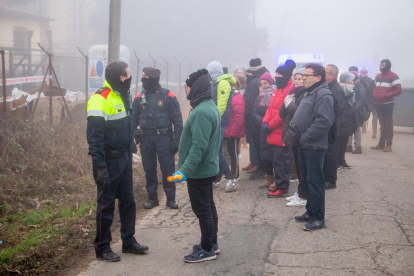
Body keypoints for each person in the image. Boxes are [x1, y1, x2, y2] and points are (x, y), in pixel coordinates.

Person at [87, 61, 149, 262]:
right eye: (129, 74)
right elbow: (94, 137)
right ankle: (102, 247)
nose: (131, 77)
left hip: (124, 159)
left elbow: (126, 122)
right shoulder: (100, 98)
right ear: (122, 77)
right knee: (106, 206)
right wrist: (100, 166)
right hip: (108, 162)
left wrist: (130, 142)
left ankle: (128, 240)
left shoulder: (124, 94)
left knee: (128, 202)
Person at [172, 69, 221, 263]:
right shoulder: (207, 106)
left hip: (199, 171)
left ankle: (207, 249)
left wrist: (184, 171)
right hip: (206, 168)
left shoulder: (201, 112)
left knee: (202, 210)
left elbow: (198, 146)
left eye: (187, 86)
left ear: (197, 88)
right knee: (208, 207)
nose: (185, 89)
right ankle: (212, 243)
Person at [291, 63, 334, 231]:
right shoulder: (310, 92)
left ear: (318, 77)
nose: (304, 78)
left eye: (308, 75)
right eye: (304, 75)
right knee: (308, 179)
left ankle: (319, 217)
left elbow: (324, 121)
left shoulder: (323, 94)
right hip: (304, 143)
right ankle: (310, 211)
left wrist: (306, 137)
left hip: (313, 145)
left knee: (315, 182)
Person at [133, 67, 183, 210]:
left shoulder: (168, 96)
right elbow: (132, 121)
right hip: (146, 140)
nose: (143, 79)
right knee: (149, 169)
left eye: (145, 77)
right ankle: (152, 198)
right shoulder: (138, 98)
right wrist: (133, 137)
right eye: (142, 76)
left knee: (168, 169)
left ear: (154, 78)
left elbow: (178, 121)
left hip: (165, 138)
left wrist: (176, 139)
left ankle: (171, 199)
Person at [264, 61, 295, 198]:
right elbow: (270, 108)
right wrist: (265, 121)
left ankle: (283, 187)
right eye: (275, 74)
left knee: (282, 161)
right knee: (276, 160)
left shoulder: (289, 90)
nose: (276, 77)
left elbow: (284, 114)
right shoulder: (277, 89)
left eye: (279, 74)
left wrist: (270, 125)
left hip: (282, 132)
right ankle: (278, 183)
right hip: (272, 132)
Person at [278, 68, 307, 206]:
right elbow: (282, 113)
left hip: (298, 131)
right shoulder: (292, 92)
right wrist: (286, 103)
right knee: (296, 160)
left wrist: (289, 104)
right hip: (289, 129)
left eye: (300, 79)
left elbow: (299, 113)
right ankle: (300, 192)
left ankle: (303, 194)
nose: (297, 81)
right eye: (295, 79)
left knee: (300, 166)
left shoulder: (305, 94)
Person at [206, 61, 236, 188]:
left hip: (219, 122)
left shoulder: (222, 83)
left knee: (216, 150)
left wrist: (213, 119)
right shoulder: (218, 82)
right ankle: (217, 179)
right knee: (216, 149)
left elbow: (221, 106)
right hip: (218, 121)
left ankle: (230, 178)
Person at [322, 64, 347, 190]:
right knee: (326, 153)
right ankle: (326, 177)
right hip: (327, 123)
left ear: (332, 75)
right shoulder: (327, 86)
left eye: (325, 72)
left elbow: (340, 109)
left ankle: (331, 180)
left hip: (331, 125)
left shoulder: (335, 89)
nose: (322, 73)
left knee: (330, 153)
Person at [242, 58, 269, 176]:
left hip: (254, 117)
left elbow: (251, 100)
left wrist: (250, 115)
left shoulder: (255, 81)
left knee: (255, 141)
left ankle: (258, 164)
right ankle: (254, 162)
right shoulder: (254, 80)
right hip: (253, 116)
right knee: (252, 141)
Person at [371, 59, 402, 152]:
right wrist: (374, 95)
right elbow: (375, 87)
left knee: (388, 124)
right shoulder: (378, 76)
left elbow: (398, 90)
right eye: (380, 64)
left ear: (387, 66)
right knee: (382, 124)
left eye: (383, 65)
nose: (380, 66)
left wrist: (385, 96)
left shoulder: (393, 76)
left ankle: (389, 144)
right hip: (378, 103)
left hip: (388, 103)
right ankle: (381, 143)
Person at [253, 72, 276, 188]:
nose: (263, 86)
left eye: (265, 83)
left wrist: (269, 122)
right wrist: (263, 121)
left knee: (275, 154)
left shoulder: (275, 95)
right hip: (262, 129)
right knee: (265, 155)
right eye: (261, 84)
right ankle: (269, 177)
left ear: (270, 83)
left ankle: (278, 178)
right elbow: (254, 113)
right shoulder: (258, 97)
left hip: (273, 128)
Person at [223, 78, 246, 192]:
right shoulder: (230, 97)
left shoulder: (237, 98)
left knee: (234, 154)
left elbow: (239, 117)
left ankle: (235, 176)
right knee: (229, 153)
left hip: (233, 132)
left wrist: (233, 133)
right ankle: (230, 175)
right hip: (228, 131)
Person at [337, 71, 357, 169]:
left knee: (344, 141)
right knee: (339, 142)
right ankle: (337, 162)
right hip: (341, 119)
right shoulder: (339, 89)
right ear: (347, 80)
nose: (353, 82)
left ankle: (342, 160)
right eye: (352, 80)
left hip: (348, 119)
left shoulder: (351, 89)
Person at [347, 68, 367, 154]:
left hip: (356, 111)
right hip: (350, 110)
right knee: (349, 128)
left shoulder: (359, 86)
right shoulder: (350, 85)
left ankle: (358, 146)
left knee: (357, 129)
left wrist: (355, 108)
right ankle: (349, 146)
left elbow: (362, 99)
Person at [359, 68, 376, 135]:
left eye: (365, 72)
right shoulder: (357, 79)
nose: (363, 73)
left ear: (367, 73)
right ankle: (360, 127)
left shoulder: (370, 80)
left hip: (367, 99)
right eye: (362, 72)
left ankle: (364, 128)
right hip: (359, 99)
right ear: (360, 72)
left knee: (365, 113)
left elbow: (372, 90)